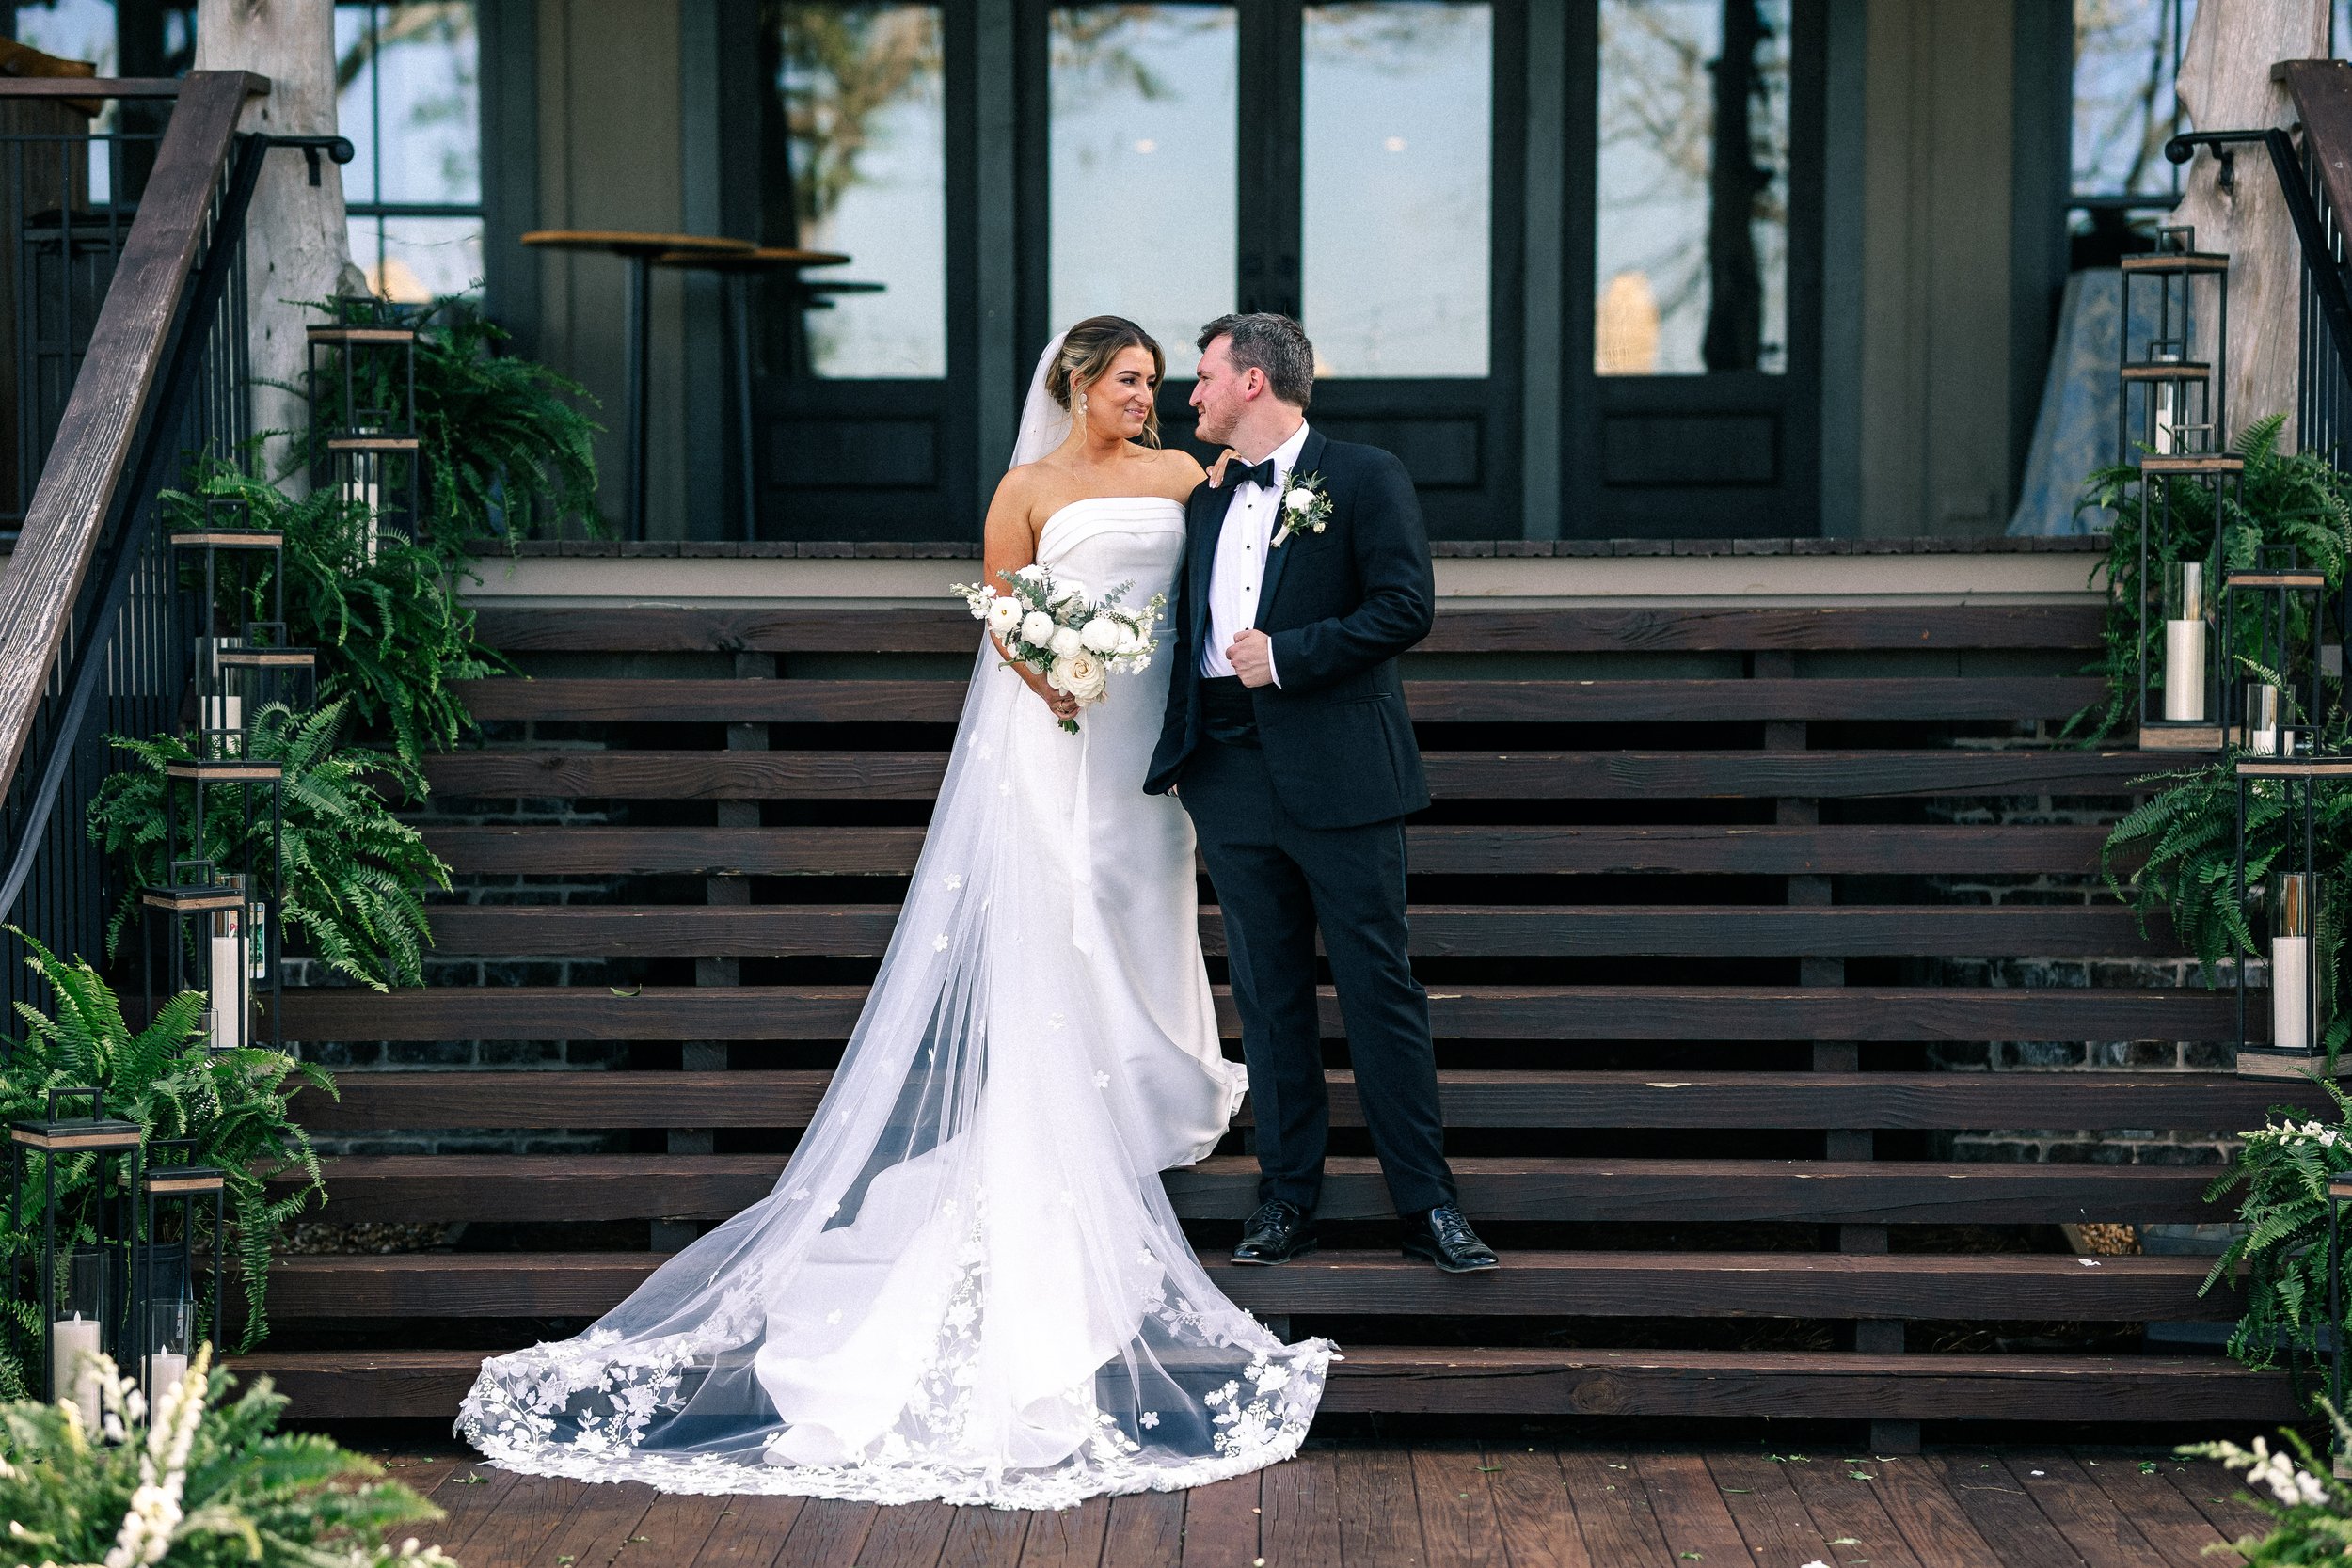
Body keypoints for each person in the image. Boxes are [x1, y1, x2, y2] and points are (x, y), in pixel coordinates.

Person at [458, 318, 1334, 1510]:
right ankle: (1077, 1099)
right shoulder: (1025, 489)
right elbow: (1005, 611)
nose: (1149, 397)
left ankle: (1158, 1082)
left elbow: (1233, 569)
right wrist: (1056, 674)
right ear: (1077, 383)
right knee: (1063, 908)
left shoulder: (1186, 476)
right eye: (1130, 380)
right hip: (1060, 730)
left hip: (1149, 741)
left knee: (1139, 897)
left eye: (1155, 382)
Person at [1146, 312, 1498, 1276]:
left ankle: (1427, 1204)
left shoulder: (1364, 475)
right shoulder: (1206, 496)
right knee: (1268, 997)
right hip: (1226, 774)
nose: (1193, 396)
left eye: (1206, 376)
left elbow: (1404, 605)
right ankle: (1284, 1198)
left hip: (1340, 772)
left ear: (1252, 381)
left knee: (1378, 990)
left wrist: (1290, 656)